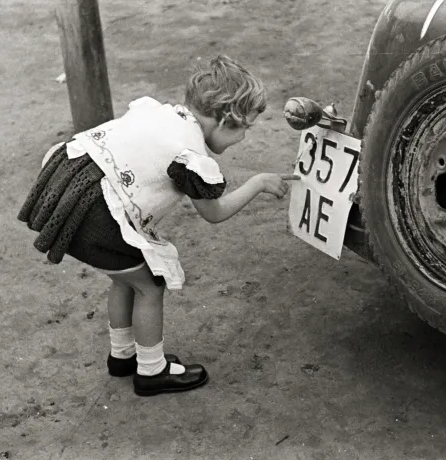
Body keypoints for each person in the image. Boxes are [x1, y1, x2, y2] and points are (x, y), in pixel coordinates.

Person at [17, 55, 299, 396]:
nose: (243, 139)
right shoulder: (189, 154)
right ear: (226, 120)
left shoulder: (160, 113)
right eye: (244, 129)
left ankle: (123, 355)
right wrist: (257, 184)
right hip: (96, 212)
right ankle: (152, 371)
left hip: (68, 187)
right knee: (150, 284)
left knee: (125, 277)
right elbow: (215, 213)